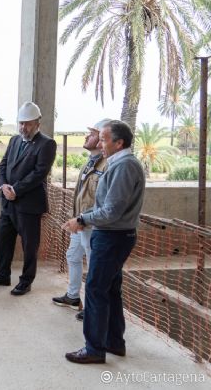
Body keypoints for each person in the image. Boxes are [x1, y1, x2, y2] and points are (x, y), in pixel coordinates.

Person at [64, 120, 146, 364]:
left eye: (104, 139)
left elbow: (111, 211)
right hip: (112, 235)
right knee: (109, 290)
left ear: (119, 142)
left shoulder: (124, 166)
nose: (100, 143)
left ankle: (94, 348)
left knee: (96, 289)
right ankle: (113, 342)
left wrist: (81, 219)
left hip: (112, 236)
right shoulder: (119, 164)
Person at [0, 101, 56, 295]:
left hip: (28, 206)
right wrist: (3, 186)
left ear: (37, 123)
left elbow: (39, 173)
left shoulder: (46, 144)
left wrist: (15, 189)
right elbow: (3, 165)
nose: (24, 127)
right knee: (3, 241)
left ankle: (26, 281)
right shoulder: (14, 140)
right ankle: (3, 274)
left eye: (28, 123)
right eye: (21, 123)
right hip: (8, 203)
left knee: (29, 246)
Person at [52, 119, 110, 320]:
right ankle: (73, 296)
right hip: (80, 222)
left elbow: (103, 200)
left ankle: (92, 308)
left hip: (92, 224)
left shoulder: (107, 165)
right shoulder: (90, 162)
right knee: (73, 256)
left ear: (103, 139)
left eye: (93, 134)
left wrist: (84, 219)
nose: (87, 137)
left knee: (94, 267)